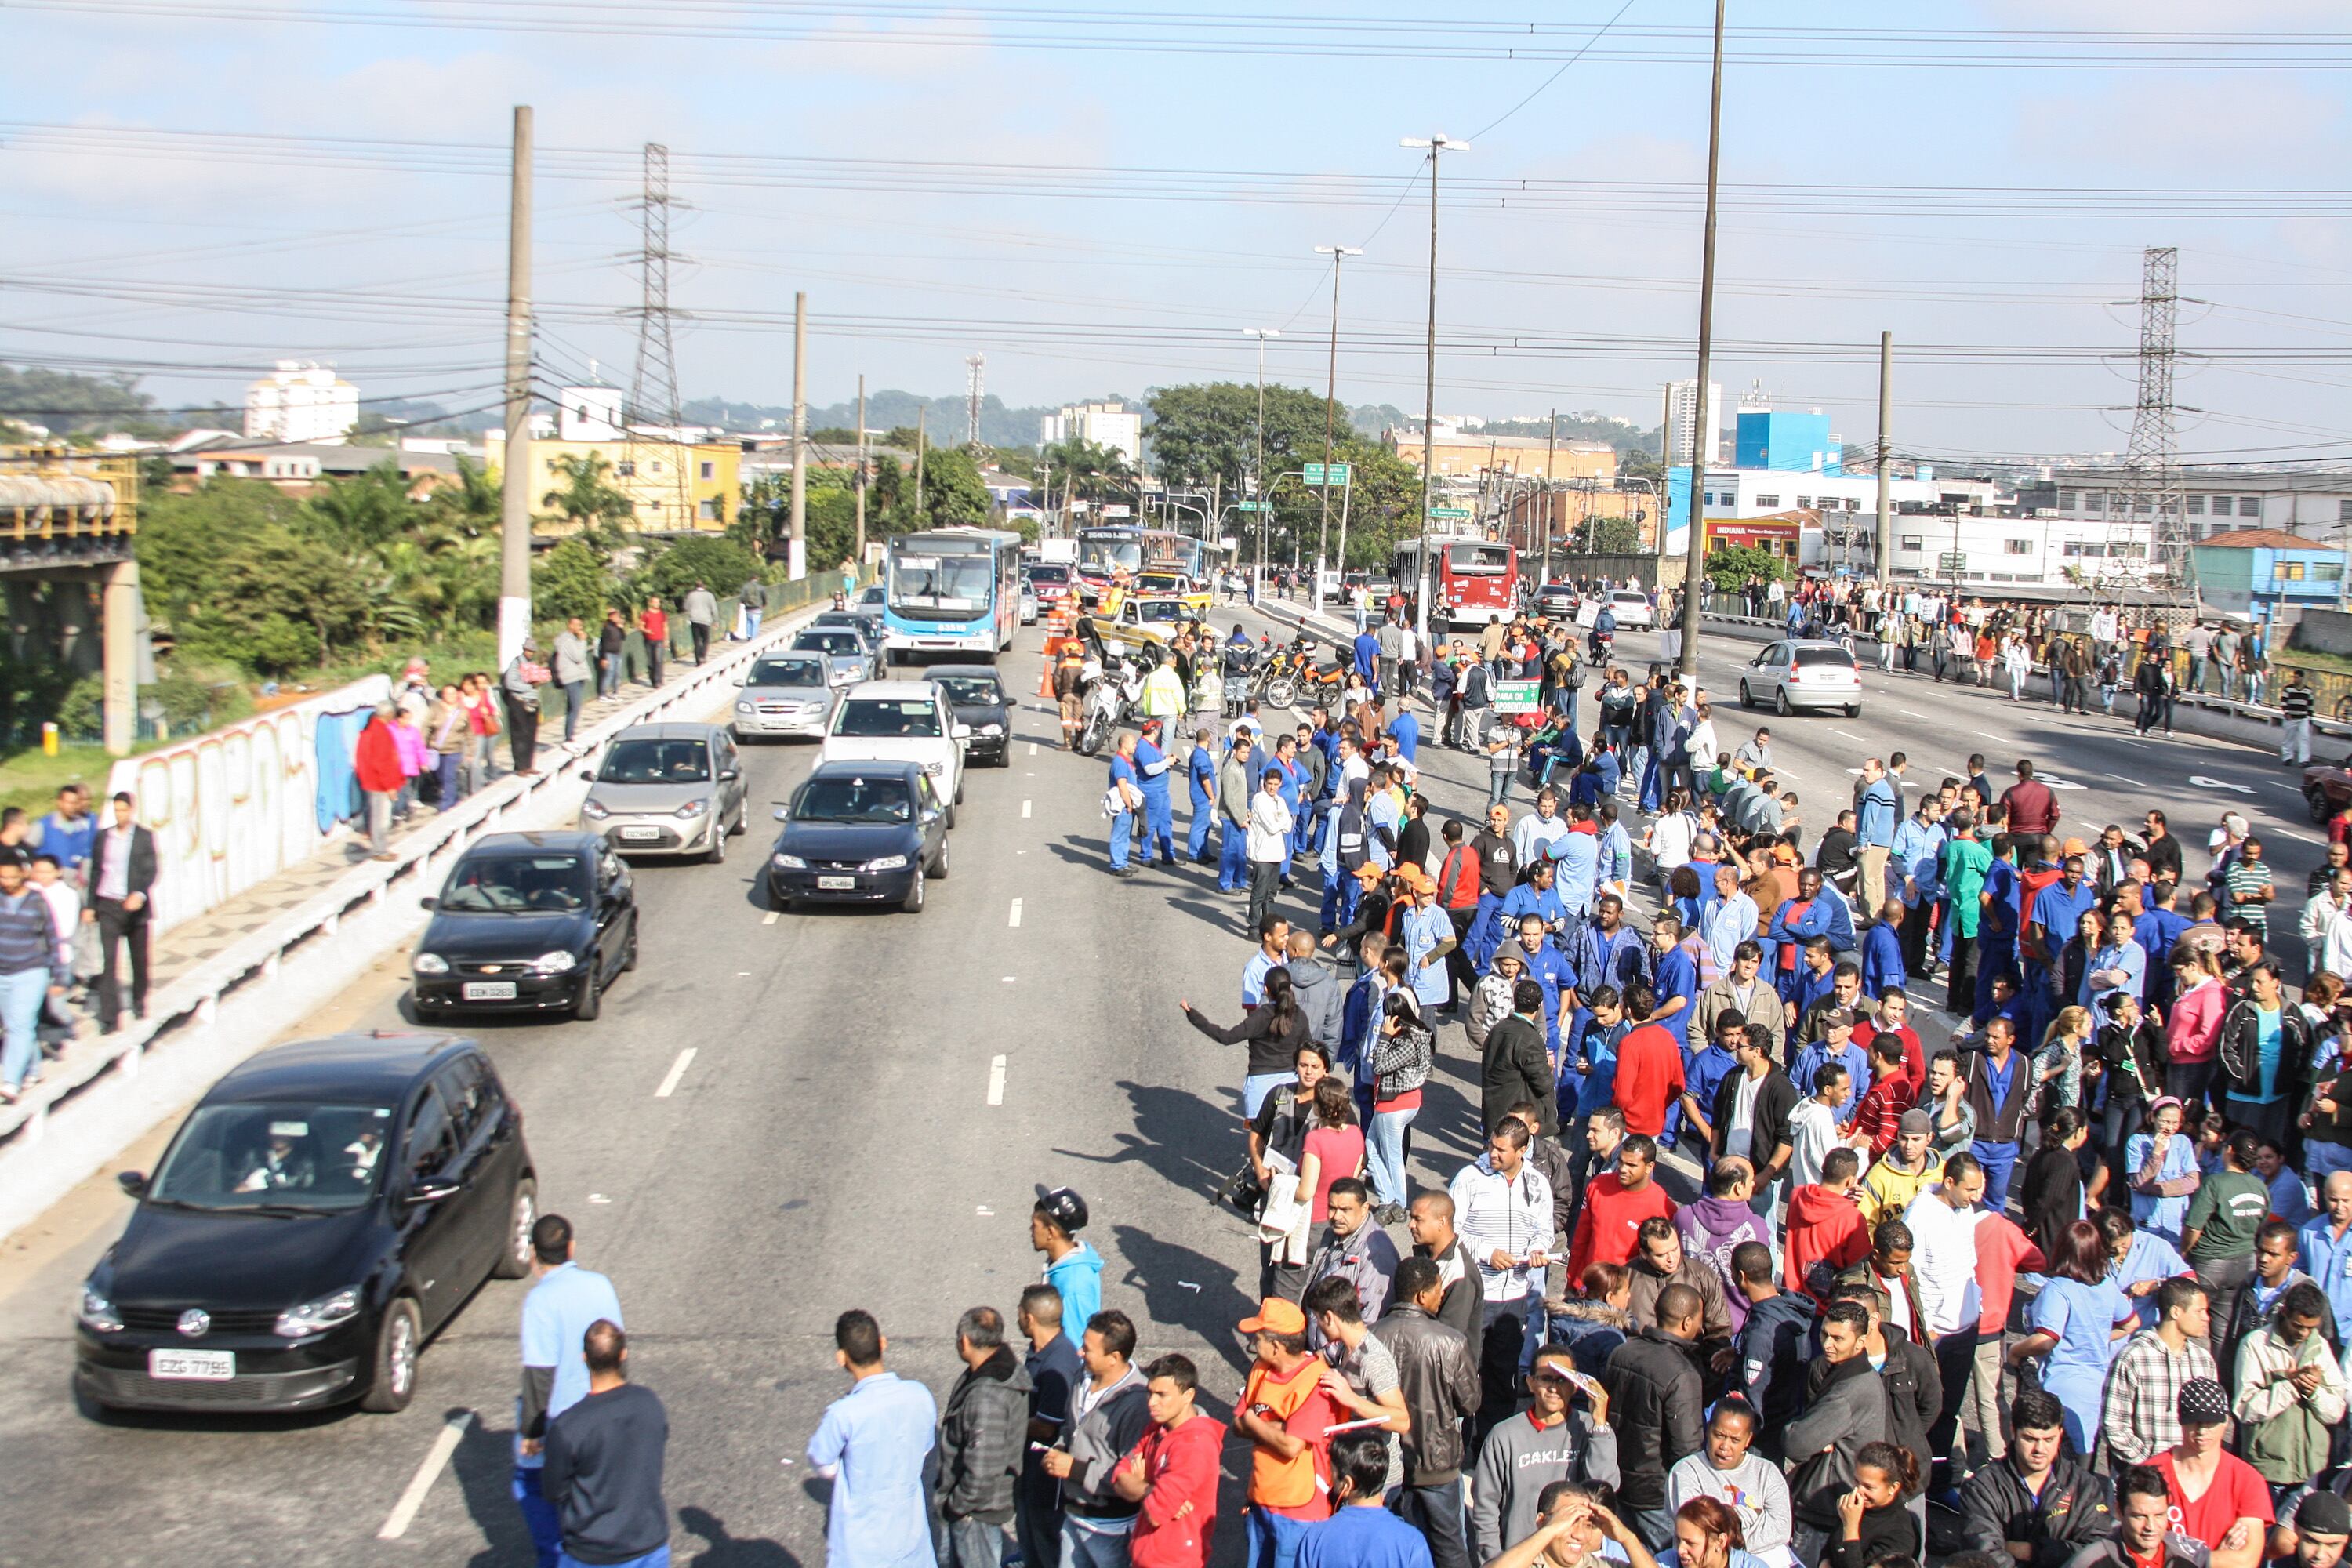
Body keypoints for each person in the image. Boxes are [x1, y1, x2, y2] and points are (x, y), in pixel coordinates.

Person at [515, 1214, 626, 1568]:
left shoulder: (539, 1300)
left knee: (531, 1486)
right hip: (604, 1411)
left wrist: (531, 1433)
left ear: (534, 1253)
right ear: (572, 1248)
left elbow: (540, 1374)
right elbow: (617, 1353)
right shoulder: (601, 1285)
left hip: (562, 1421)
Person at [809, 1309, 940, 1568]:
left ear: (841, 1358)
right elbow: (925, 1448)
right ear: (883, 1343)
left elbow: (821, 1460)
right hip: (910, 1539)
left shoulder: (843, 1413)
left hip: (861, 1549)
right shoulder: (920, 1395)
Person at [1377, 1254, 1479, 1568]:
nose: (1443, 1295)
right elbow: (1470, 1402)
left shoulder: (1371, 1336)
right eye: (1439, 1289)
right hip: (1436, 1462)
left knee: (1392, 1548)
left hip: (1385, 1462)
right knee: (1449, 1546)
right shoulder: (1450, 1342)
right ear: (1423, 1296)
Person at [541, 1320, 670, 1568]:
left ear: (584, 1359)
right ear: (623, 1355)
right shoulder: (649, 1403)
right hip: (649, 1544)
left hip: (593, 1551)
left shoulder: (569, 1426)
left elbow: (553, 1491)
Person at [1473, 1348, 1621, 1563]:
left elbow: (1604, 1491)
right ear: (1531, 1383)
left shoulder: (1592, 1429)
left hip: (1576, 1558)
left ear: (1574, 1385)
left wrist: (1600, 1424)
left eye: (1562, 1379)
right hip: (1522, 1558)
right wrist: (1494, 1560)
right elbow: (1485, 1510)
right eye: (1545, 1379)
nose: (1553, 1388)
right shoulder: (1504, 1435)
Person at [1957, 1389, 2117, 1568]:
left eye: (2049, 1439)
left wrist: (2034, 1551)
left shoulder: (2084, 1486)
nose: (2040, 1449)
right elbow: (1986, 1559)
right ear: (2013, 1431)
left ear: (2060, 1434)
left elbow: (2099, 1551)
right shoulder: (1982, 1488)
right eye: (2030, 1438)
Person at [1041, 1310, 1152, 1568]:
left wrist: (1074, 1469)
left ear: (1114, 1358)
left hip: (1110, 1528)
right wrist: (1058, 1451)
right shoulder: (1082, 1379)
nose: (1079, 1353)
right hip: (1073, 1517)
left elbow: (1131, 1474)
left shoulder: (1139, 1404)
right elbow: (1071, 1431)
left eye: (1087, 1349)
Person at [1602, 1283, 1707, 1551]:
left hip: (1616, 1480)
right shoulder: (1683, 1374)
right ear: (1687, 1322)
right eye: (1699, 1319)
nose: (1702, 1327)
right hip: (1656, 1496)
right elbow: (1687, 1449)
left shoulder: (1622, 1352)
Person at [1784, 1300, 1888, 1568]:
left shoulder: (1850, 1391)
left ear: (1861, 1340)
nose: (1827, 1344)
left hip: (1823, 1508)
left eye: (1838, 1338)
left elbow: (1796, 1444)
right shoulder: (1849, 1373)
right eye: (1824, 1334)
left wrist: (1794, 1428)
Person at [1235, 1297, 1337, 1568]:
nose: (1253, 1344)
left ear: (1277, 1346)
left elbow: (1291, 1445)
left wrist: (1255, 1423)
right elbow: (1237, 1425)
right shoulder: (1261, 1370)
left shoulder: (1316, 1382)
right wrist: (1280, 1427)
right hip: (1261, 1499)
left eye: (1257, 1338)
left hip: (1300, 1511)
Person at [2229, 1279, 2345, 1498]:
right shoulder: (2255, 1345)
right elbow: (2244, 1409)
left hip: (2312, 1471)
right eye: (2298, 1326)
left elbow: (2335, 1412)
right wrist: (2290, 1387)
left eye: (2311, 1328)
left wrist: (2314, 1392)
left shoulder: (2321, 1347)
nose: (2304, 1333)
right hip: (2267, 1471)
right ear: (2284, 1312)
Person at [938, 1306, 1033, 1568]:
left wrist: (956, 1506)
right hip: (978, 1509)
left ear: (965, 1340)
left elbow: (982, 1468)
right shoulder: (994, 1372)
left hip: (975, 1514)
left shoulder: (987, 1395)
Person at [1112, 1355, 1223, 1568]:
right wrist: (1150, 1490)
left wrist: (1140, 1484)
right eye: (1150, 1393)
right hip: (1145, 1557)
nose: (1152, 1403)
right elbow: (1118, 1478)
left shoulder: (1195, 1446)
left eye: (1162, 1395)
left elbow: (1156, 1513)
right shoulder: (1156, 1428)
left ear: (1188, 1395)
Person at [2151, 1377, 2270, 1568]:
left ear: (2225, 1423)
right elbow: (2141, 1552)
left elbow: (2247, 1561)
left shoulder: (2247, 1479)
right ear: (2180, 1421)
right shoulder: (2151, 1473)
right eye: (2194, 1422)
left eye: (2211, 1423)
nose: (2202, 1431)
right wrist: (2211, 1558)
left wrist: (2178, 1559)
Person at [1665, 1401, 1792, 1567]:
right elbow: (1695, 1527)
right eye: (1719, 1435)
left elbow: (1781, 1528)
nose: (1725, 1447)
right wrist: (1752, 1515)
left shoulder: (1766, 1472)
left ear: (1748, 1440)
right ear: (1709, 1429)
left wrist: (1736, 1543)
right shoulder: (1686, 1471)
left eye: (1735, 1440)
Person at [2182, 1131, 2268, 1357]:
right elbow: (2261, 1225)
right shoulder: (2260, 1187)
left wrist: (2183, 1251)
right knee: (2224, 1327)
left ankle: (2201, 1377)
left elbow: (2193, 1227)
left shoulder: (2215, 1183)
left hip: (2210, 1263)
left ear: (2229, 1151)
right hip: (2245, 1263)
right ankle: (2221, 1382)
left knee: (2198, 1322)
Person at [1297, 1432, 1433, 1568]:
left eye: (1331, 1471)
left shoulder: (1315, 1538)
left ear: (1347, 1484)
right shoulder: (1411, 1541)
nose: (1330, 1479)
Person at [1018, 1286, 1083, 1568]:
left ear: (1029, 1318)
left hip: (1047, 1477)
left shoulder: (1059, 1363)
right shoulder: (1039, 1352)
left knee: (1045, 1546)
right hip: (1030, 1469)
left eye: (1020, 1313)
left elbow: (1047, 1427)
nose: (1018, 1318)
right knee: (1029, 1538)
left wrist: (1007, 1424)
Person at [2060, 1464, 2212, 1568]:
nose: (2151, 1527)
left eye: (2159, 1515)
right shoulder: (2089, 1564)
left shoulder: (2184, 1563)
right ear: (2119, 1511)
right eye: (2140, 1516)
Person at [1828, 1442, 1922, 1568]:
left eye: (1869, 1487)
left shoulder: (1899, 1536)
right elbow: (1834, 1543)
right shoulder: (1856, 1505)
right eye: (1856, 1481)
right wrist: (1825, 1561)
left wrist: (1850, 1527)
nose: (1858, 1491)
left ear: (1893, 1487)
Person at [1031, 1188, 1105, 1333]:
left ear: (1050, 1233)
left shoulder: (1072, 1289)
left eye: (1034, 1226)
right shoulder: (1063, 1261)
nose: (1030, 1230)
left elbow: (1076, 1346)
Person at [503, 637, 547, 775]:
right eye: (528, 650)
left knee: (530, 734)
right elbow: (510, 683)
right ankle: (520, 766)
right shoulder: (516, 664)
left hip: (532, 702)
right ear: (524, 649)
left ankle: (528, 765)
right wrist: (529, 687)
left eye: (533, 651)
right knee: (519, 734)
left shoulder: (533, 664)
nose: (530, 653)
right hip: (519, 701)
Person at [552, 615, 593, 742]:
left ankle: (570, 733)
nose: (580, 628)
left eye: (581, 625)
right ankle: (569, 736)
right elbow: (579, 657)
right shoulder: (567, 641)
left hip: (576, 676)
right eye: (577, 625)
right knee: (574, 707)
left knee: (573, 707)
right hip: (572, 678)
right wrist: (583, 641)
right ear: (570, 625)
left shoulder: (570, 640)